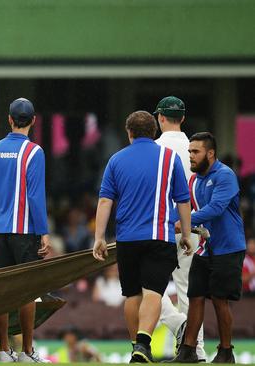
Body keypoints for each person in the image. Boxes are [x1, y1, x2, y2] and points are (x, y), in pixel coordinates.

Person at [92, 111, 192, 363]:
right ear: (154, 132)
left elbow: (105, 200)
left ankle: (136, 347)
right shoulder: (169, 158)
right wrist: (187, 235)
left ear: (129, 133)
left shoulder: (116, 160)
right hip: (159, 236)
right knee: (153, 294)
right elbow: (183, 200)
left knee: (132, 294)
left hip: (127, 238)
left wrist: (99, 237)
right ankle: (144, 344)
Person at [171, 132, 247, 363]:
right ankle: (188, 351)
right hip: (205, 248)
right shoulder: (194, 181)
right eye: (190, 152)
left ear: (210, 153)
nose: (191, 156)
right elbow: (182, 209)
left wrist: (185, 222)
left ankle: (226, 352)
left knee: (219, 298)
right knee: (194, 295)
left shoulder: (225, 175)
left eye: (196, 152)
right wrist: (162, 224)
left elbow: (216, 208)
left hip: (229, 247)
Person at [0, 97, 51, 363]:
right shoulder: (34, 152)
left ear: (9, 119)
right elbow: (35, 195)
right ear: (33, 121)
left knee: (1, 291)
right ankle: (27, 351)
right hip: (24, 230)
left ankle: (3, 350)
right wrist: (43, 231)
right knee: (27, 291)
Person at [152, 96, 207, 360]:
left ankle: (176, 324)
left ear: (160, 117)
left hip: (161, 227)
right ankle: (196, 348)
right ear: (182, 118)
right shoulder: (195, 148)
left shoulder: (154, 149)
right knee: (190, 291)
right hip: (192, 226)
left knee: (148, 286)